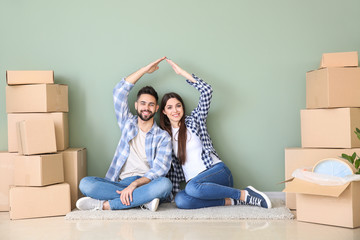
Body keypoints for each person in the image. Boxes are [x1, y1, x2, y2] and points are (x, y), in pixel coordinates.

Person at [160, 58, 272, 209]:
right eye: (170, 107)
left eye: (178, 106)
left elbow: (207, 91)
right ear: (164, 112)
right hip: (199, 186)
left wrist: (183, 73)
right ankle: (233, 200)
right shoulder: (165, 136)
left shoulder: (194, 120)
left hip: (217, 173)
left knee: (192, 188)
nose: (175, 110)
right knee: (181, 200)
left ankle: (244, 194)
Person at [76, 57, 173, 212]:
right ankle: (143, 200)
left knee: (165, 185)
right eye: (142, 103)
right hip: (120, 183)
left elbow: (160, 169)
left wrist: (134, 185)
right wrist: (144, 70)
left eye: (151, 104)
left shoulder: (163, 137)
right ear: (136, 105)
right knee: (85, 184)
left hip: (146, 183)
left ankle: (106, 205)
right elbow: (119, 92)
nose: (146, 108)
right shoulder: (127, 123)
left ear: (156, 108)